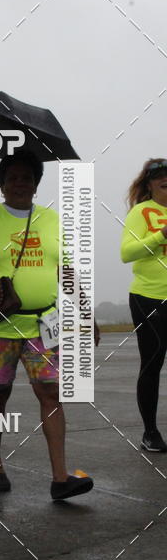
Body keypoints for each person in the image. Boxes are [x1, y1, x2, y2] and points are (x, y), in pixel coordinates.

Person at [0, 149, 94, 500]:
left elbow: (66, 271)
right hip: (0, 327)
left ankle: (60, 479)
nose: (20, 183)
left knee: (51, 393)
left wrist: (87, 313)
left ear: (36, 184)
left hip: (44, 324)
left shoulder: (51, 219)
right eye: (12, 177)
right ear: (1, 185)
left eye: (27, 177)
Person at [121, 158, 167, 452]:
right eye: (160, 176)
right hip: (148, 297)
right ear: (148, 184)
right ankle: (150, 433)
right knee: (153, 363)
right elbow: (127, 253)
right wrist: (161, 235)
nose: (166, 180)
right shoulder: (141, 212)